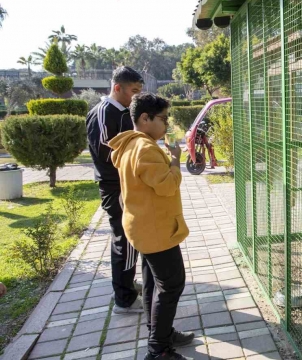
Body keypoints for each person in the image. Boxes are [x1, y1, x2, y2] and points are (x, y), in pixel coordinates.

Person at [108, 93, 193, 360]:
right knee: (171, 285)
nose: (166, 125)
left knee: (152, 285)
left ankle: (161, 334)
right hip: (156, 231)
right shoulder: (145, 148)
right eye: (163, 119)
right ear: (145, 118)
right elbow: (168, 185)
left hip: (142, 227)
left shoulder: (131, 145)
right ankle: (158, 350)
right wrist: (176, 160)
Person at [86, 66, 144, 314]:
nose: (136, 96)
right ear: (117, 87)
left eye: (139, 91)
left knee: (131, 237)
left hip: (127, 184)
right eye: (133, 91)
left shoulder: (124, 112)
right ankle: (124, 299)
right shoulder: (102, 112)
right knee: (126, 239)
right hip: (115, 187)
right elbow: (104, 151)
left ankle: (127, 285)